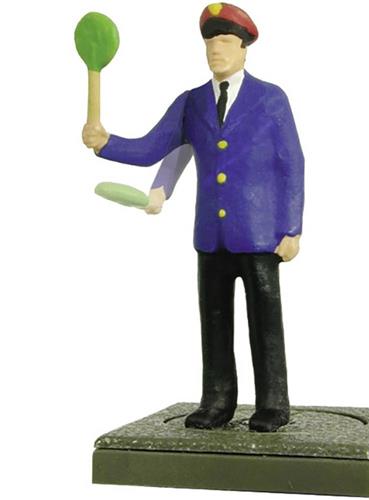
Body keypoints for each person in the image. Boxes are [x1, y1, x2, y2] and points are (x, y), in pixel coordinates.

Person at [82, 3, 304, 432]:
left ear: (244, 48)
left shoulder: (271, 99)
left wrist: (291, 228)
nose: (216, 50)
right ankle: (217, 399)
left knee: (265, 325)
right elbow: (152, 147)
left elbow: (291, 163)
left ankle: (273, 403)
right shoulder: (191, 103)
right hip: (210, 234)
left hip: (260, 234)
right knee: (214, 322)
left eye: (225, 41)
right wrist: (106, 142)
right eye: (210, 42)